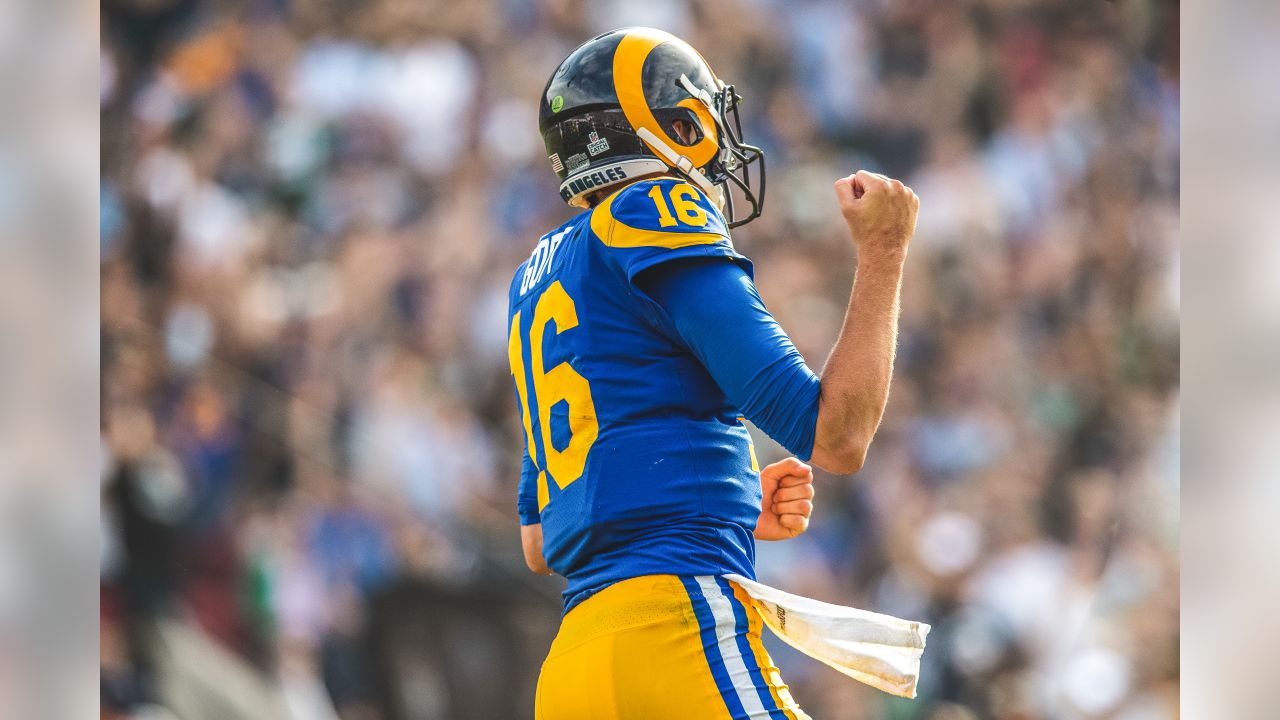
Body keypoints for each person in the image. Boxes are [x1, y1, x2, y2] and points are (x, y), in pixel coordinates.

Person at [507, 27, 919, 719]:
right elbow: (836, 435)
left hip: (574, 671)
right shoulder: (649, 212)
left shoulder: (539, 273)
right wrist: (884, 250)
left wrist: (712, 492)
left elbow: (542, 540)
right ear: (673, 126)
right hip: (674, 631)